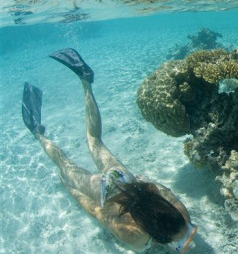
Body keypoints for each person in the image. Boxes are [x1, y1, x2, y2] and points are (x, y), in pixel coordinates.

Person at [22, 48, 197, 253]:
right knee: (65, 165)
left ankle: (86, 81)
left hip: (125, 180)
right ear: (155, 235)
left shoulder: (182, 216)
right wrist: (71, 189)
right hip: (106, 192)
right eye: (183, 237)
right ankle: (37, 133)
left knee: (94, 140)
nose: (186, 236)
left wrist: (144, 184)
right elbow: (97, 211)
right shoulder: (135, 237)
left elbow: (164, 191)